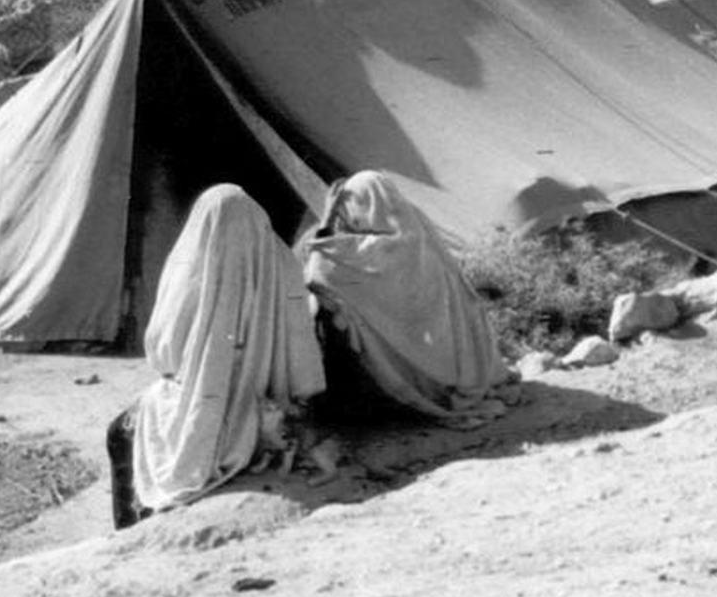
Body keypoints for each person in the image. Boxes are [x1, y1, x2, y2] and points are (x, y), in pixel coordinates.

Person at [111, 186, 325, 528]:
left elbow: (164, 354)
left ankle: (130, 531)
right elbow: (305, 366)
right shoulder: (282, 262)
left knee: (121, 433)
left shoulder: (195, 265)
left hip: (205, 414)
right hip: (265, 410)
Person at [299, 171, 511, 427]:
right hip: (458, 362)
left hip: (426, 375)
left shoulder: (372, 250)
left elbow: (317, 270)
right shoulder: (415, 226)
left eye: (351, 208)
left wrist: (326, 221)